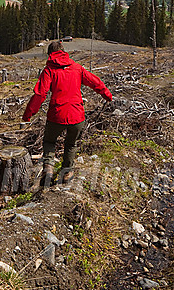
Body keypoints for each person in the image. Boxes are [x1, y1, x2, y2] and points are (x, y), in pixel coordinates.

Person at [22, 40, 112, 186]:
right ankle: (67, 172)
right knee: (71, 143)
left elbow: (40, 94)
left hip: (56, 115)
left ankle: (49, 169)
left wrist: (28, 114)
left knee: (49, 141)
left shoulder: (49, 70)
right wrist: (107, 95)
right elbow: (95, 81)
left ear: (50, 54)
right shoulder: (77, 68)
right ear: (63, 51)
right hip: (77, 115)